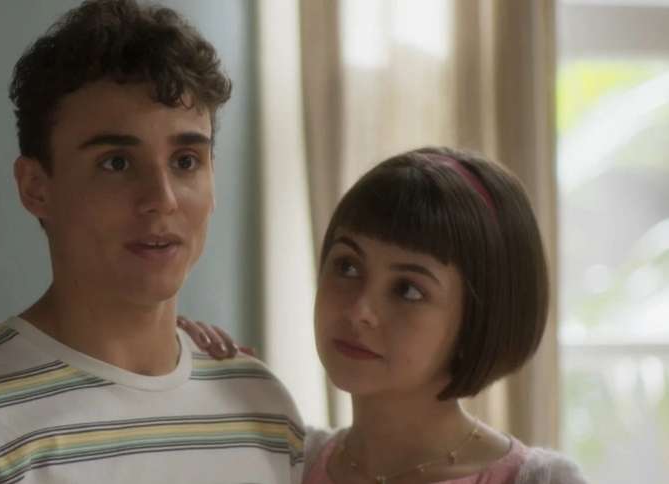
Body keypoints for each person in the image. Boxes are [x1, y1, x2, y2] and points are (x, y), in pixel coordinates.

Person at [0, 1, 304, 483]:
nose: (162, 199)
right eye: (117, 163)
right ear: (36, 188)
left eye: (186, 161)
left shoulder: (263, 406)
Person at [181, 147, 588, 483]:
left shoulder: (540, 481)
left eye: (408, 289)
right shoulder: (282, 465)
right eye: (347, 267)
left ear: (480, 318)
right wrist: (186, 380)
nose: (360, 310)